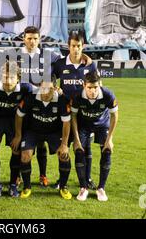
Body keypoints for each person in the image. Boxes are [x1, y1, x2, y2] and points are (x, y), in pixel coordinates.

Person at [14, 76, 73, 200]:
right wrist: (19, 135)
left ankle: (63, 187)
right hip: (33, 131)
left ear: (56, 88)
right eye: (43, 88)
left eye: (50, 88)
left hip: (54, 132)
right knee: (25, 155)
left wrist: (64, 144)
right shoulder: (30, 97)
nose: (46, 91)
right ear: (40, 86)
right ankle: (27, 187)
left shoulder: (62, 100)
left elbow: (66, 123)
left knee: (64, 155)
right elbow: (19, 115)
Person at [53, 31, 97, 190]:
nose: (76, 49)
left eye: (79, 46)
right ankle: (61, 179)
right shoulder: (60, 63)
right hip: (65, 111)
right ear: (68, 46)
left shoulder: (90, 65)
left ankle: (87, 178)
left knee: (85, 147)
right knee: (64, 144)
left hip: (84, 113)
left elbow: (96, 85)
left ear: (82, 46)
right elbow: (51, 75)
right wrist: (55, 86)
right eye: (73, 46)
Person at [18, 26, 61, 187]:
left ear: (39, 39)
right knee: (23, 143)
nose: (32, 41)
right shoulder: (15, 57)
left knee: (41, 142)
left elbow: (66, 64)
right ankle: (19, 176)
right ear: (24, 39)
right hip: (23, 105)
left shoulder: (49, 56)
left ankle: (42, 175)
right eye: (29, 38)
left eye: (35, 38)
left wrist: (86, 58)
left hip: (44, 104)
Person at [71, 71, 118, 201]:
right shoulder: (77, 96)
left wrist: (110, 139)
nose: (93, 91)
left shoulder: (108, 95)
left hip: (102, 125)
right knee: (79, 151)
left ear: (100, 85)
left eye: (95, 87)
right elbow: (73, 116)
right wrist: (76, 139)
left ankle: (101, 188)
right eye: (89, 88)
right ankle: (83, 188)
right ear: (84, 86)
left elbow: (115, 116)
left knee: (107, 151)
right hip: (84, 126)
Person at [0, 61, 32, 198]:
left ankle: (13, 184)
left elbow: (43, 90)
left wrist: (19, 135)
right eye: (5, 77)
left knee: (16, 150)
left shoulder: (26, 88)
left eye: (11, 77)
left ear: (18, 78)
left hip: (15, 122)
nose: (7, 81)